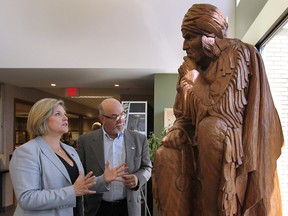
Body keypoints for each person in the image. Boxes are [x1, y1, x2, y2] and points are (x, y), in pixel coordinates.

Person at [152, 4, 284, 216]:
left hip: (234, 144)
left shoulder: (238, 53)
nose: (184, 46)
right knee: (165, 155)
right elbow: (183, 114)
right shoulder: (191, 65)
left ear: (208, 37)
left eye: (189, 37)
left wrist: (194, 79)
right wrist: (179, 129)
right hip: (205, 138)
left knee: (211, 129)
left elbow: (223, 111)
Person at [9, 98, 127, 216]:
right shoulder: (26, 152)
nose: (66, 118)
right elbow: (27, 198)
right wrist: (72, 192)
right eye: (58, 114)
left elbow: (81, 186)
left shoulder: (70, 151)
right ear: (42, 119)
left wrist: (103, 179)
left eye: (64, 114)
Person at [78, 98, 152, 216]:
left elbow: (147, 168)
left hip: (128, 208)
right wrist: (102, 179)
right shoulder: (86, 141)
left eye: (122, 114)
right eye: (114, 116)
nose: (121, 120)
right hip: (97, 208)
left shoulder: (139, 139)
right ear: (102, 119)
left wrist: (138, 178)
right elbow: (80, 176)